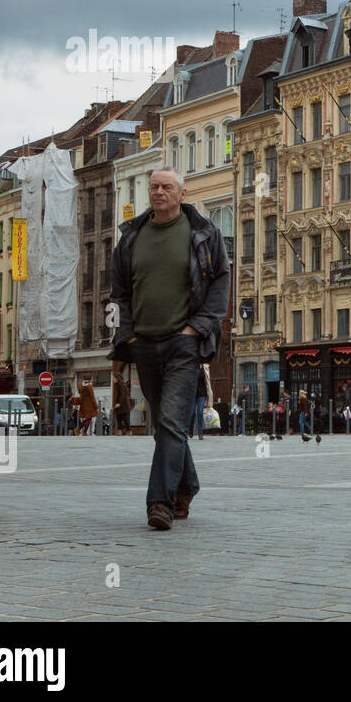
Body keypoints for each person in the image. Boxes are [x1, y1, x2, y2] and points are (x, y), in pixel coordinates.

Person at [108, 166, 229, 531]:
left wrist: (197, 328)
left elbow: (222, 280)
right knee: (165, 426)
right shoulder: (131, 237)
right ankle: (187, 485)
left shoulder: (203, 234)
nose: (159, 192)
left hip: (182, 344)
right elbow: (118, 292)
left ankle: (159, 503)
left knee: (173, 422)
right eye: (154, 186)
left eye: (167, 187)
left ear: (182, 193)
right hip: (143, 343)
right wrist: (127, 335)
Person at [193, 364, 212, 442]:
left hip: (202, 394)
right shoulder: (191, 366)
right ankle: (190, 428)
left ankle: (200, 433)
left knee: (200, 412)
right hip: (193, 394)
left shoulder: (205, 368)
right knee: (192, 413)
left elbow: (207, 381)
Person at [112, 366, 132, 435]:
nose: (113, 379)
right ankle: (119, 431)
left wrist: (119, 403)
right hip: (119, 404)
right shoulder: (116, 385)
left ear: (118, 378)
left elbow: (123, 395)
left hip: (124, 405)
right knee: (119, 418)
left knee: (125, 418)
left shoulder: (122, 385)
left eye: (114, 378)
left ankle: (129, 431)